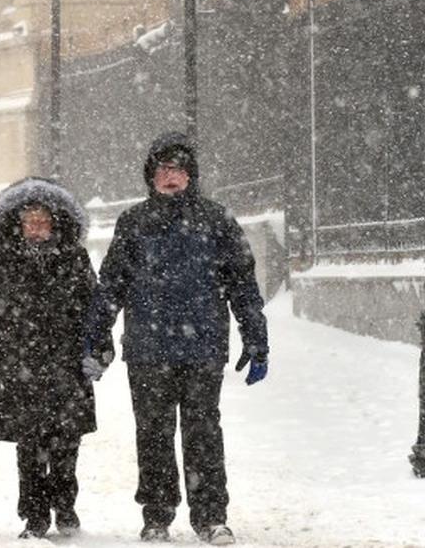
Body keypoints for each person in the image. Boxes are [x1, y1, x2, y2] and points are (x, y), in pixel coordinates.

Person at [82, 132, 269, 546]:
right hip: (148, 349)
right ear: (151, 175)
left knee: (203, 431)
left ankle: (210, 517)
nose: (171, 177)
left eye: (179, 169)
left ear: (191, 176)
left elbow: (242, 283)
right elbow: (111, 286)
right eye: (164, 169)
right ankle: (157, 515)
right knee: (153, 434)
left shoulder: (216, 220)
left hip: (202, 347)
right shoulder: (133, 223)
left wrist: (256, 338)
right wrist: (97, 339)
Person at [0, 178, 109, 539]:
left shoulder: (74, 259)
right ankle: (35, 515)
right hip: (18, 366)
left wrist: (100, 353)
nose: (36, 229)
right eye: (30, 222)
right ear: (17, 224)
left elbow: (95, 312)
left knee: (67, 443)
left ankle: (65, 505)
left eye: (43, 221)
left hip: (66, 367)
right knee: (29, 446)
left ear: (56, 223)